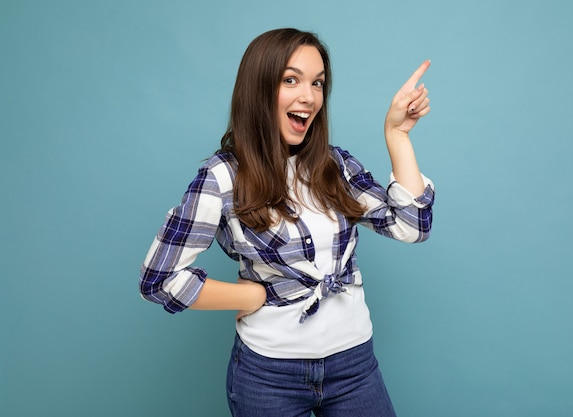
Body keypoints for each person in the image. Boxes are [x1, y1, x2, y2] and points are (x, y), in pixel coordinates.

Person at [140, 28, 435, 417]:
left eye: (317, 83)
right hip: (269, 376)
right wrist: (250, 296)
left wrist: (396, 134)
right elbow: (159, 278)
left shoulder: (334, 165)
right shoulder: (223, 178)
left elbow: (412, 225)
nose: (308, 97)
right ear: (259, 88)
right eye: (291, 80)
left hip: (355, 367)